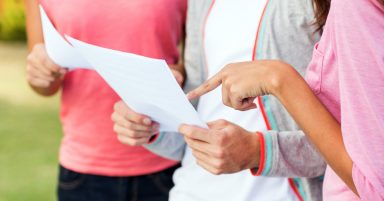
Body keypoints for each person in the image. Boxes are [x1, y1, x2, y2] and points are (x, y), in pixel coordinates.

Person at [112, 0, 326, 200]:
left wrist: (259, 152)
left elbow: (349, 150)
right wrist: (152, 124)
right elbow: (195, 119)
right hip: (190, 191)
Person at [185, 0, 384, 200]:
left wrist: (260, 151)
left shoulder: (348, 6)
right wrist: (157, 125)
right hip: (191, 190)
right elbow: (193, 105)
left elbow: (371, 179)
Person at [25, 0, 186, 200]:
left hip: (167, 160)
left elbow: (195, 67)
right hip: (84, 168)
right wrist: (41, 73)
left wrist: (177, 74)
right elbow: (43, 84)